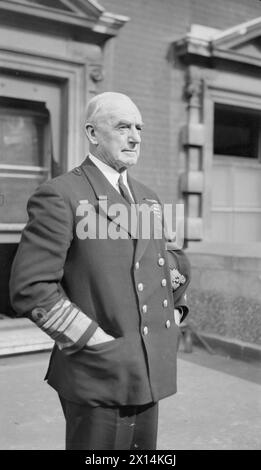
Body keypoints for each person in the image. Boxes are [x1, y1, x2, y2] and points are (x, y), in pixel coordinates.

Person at [9, 92, 190, 450]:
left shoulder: (149, 198)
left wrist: (177, 313)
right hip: (98, 370)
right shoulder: (61, 195)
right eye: (122, 127)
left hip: (149, 365)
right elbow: (31, 288)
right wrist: (94, 342)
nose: (135, 137)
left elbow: (172, 263)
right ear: (92, 133)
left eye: (139, 127)